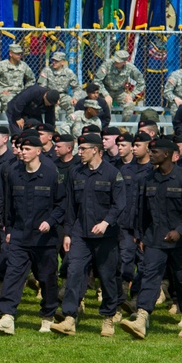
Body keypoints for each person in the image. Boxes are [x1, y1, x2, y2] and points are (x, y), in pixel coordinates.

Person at [120, 139, 182, 339]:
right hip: (155, 239)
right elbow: (142, 210)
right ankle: (141, 318)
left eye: (154, 151)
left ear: (167, 154)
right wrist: (140, 235)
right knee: (149, 276)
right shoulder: (148, 179)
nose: (151, 154)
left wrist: (179, 231)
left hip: (181, 241)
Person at [0, 134, 66, 335]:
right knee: (12, 275)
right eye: (21, 149)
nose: (23, 152)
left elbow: (62, 204)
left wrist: (50, 222)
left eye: (28, 149)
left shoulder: (51, 174)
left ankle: (48, 316)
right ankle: (7, 317)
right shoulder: (14, 173)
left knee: (47, 278)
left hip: (44, 239)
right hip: (19, 236)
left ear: (38, 151)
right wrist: (8, 230)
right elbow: (9, 204)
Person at [51, 134, 126, 337]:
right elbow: (70, 207)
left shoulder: (112, 173)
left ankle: (108, 317)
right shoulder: (76, 172)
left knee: (107, 277)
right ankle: (69, 318)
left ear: (96, 150)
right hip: (80, 235)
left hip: (106, 236)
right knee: (74, 273)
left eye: (83, 148)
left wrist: (106, 222)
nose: (80, 152)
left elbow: (119, 204)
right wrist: (67, 233)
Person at [93, 49, 145, 118]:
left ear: (124, 62)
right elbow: (97, 81)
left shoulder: (130, 68)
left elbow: (141, 82)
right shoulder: (107, 64)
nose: (115, 62)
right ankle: (106, 123)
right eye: (115, 60)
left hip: (119, 92)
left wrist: (132, 95)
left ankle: (124, 124)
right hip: (106, 90)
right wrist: (106, 95)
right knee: (107, 103)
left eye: (118, 62)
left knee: (130, 104)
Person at [0, 43, 35, 111]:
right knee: (9, 101)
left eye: (20, 53)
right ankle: (7, 117)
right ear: (10, 54)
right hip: (5, 93)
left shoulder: (23, 66)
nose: (19, 55)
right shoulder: (1, 65)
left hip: (19, 93)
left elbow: (31, 79)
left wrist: (26, 91)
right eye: (17, 54)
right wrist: (0, 91)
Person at [37, 52, 81, 122]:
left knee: (71, 105)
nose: (54, 62)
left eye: (56, 61)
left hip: (63, 95)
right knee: (54, 110)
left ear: (62, 62)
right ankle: (54, 126)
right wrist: (48, 97)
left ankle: (69, 124)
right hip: (50, 95)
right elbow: (41, 87)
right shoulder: (47, 70)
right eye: (53, 60)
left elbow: (77, 88)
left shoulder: (68, 72)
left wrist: (75, 98)